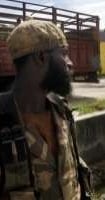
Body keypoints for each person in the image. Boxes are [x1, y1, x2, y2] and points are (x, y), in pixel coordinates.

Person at [0, 20, 91, 200]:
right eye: (64, 54)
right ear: (41, 57)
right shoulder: (3, 119)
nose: (70, 63)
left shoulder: (62, 111)